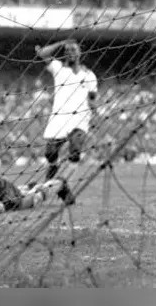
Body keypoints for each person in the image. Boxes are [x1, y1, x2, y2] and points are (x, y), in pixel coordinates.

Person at [35, 39, 98, 205]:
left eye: (73, 50)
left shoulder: (89, 75)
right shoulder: (58, 68)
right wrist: (61, 42)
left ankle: (63, 183)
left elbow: (92, 98)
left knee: (75, 150)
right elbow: (42, 53)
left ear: (80, 52)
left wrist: (95, 113)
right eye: (67, 50)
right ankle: (57, 178)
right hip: (59, 117)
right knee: (50, 153)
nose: (70, 52)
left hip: (80, 118)